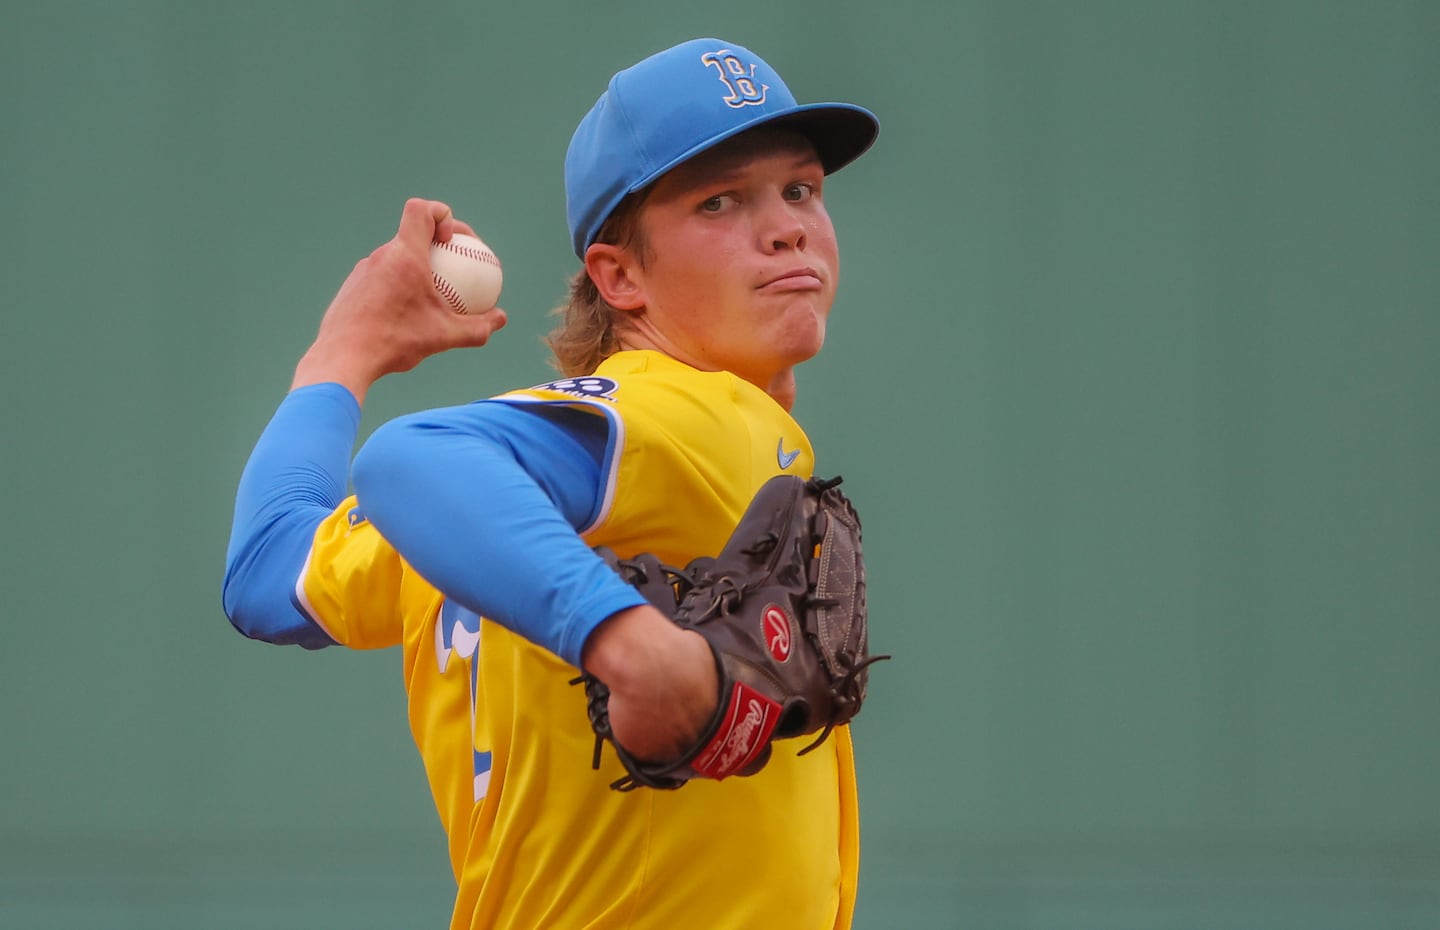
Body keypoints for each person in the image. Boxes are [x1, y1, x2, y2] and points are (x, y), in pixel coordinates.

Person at [223, 37, 878, 930]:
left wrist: (341, 355)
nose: (788, 226)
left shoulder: (487, 512)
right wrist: (623, 639)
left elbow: (267, 573)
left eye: (800, 189)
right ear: (621, 277)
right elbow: (408, 457)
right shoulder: (697, 418)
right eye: (719, 201)